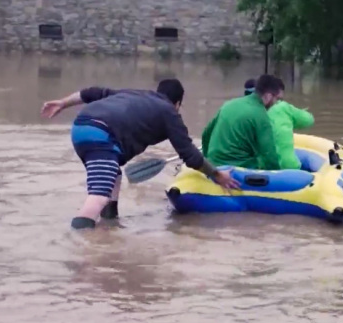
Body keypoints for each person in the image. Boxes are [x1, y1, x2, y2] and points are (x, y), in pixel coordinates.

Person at [41, 78, 240, 229]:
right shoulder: (169, 112)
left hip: (80, 126)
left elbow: (91, 93)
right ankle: (78, 244)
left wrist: (62, 103)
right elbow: (191, 155)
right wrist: (217, 175)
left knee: (114, 176)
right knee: (99, 196)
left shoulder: (134, 94)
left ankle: (109, 224)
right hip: (102, 135)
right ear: (178, 104)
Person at [201, 74, 284, 170]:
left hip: (214, 165)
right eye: (277, 99)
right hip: (238, 168)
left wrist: (208, 162)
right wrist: (277, 175)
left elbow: (206, 134)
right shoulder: (261, 116)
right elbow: (269, 155)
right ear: (268, 96)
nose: (277, 103)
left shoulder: (229, 104)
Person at [243, 78, 315, 170]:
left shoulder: (247, 112)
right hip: (289, 167)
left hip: (261, 169)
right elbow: (308, 120)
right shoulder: (283, 108)